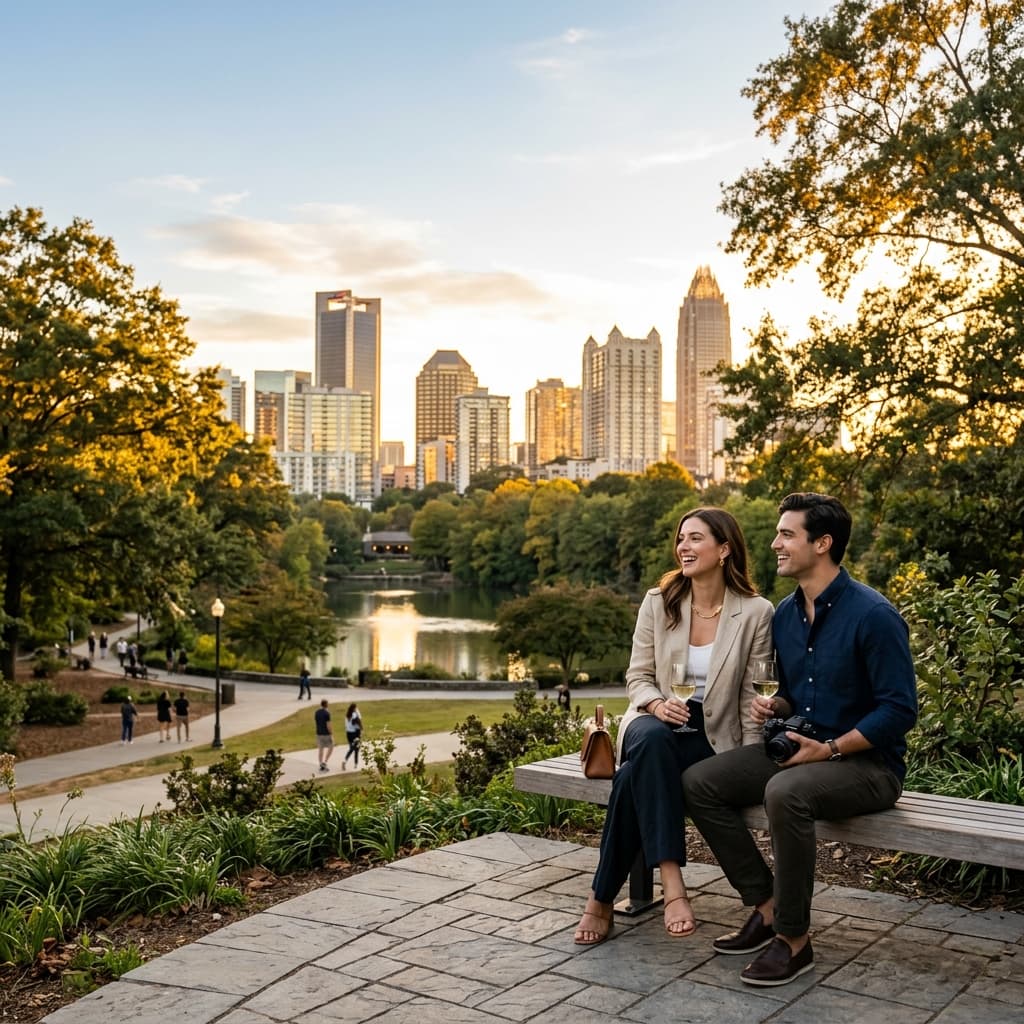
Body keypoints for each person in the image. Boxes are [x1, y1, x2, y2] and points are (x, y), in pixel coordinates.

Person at [683, 493, 918, 987]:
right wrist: (777, 706)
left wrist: (831, 749)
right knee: (700, 782)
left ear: (823, 543)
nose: (775, 544)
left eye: (787, 534)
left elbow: (899, 710)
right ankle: (766, 906)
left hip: (867, 765)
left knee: (784, 793)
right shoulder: (786, 614)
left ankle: (793, 940)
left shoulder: (873, 616)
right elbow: (794, 694)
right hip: (801, 750)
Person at [574, 507, 774, 946]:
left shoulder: (756, 612)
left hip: (711, 733)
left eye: (696, 538)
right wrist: (656, 703)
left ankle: (600, 899)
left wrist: (752, 755)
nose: (683, 546)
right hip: (655, 719)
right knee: (651, 739)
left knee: (632, 777)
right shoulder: (657, 601)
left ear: (724, 550)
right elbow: (637, 677)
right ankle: (673, 885)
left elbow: (749, 695)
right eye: (681, 538)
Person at [315, 699, 334, 772]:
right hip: (326, 734)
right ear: (326, 705)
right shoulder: (327, 713)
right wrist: (331, 734)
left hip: (319, 733)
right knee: (331, 746)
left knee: (321, 749)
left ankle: (320, 763)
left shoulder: (316, 712)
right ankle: (325, 761)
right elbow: (328, 725)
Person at [343, 703, 362, 769]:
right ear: (354, 708)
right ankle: (355, 764)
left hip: (348, 733)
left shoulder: (347, 715)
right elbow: (358, 720)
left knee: (352, 748)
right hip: (354, 734)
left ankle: (345, 760)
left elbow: (346, 725)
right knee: (356, 749)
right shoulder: (354, 715)